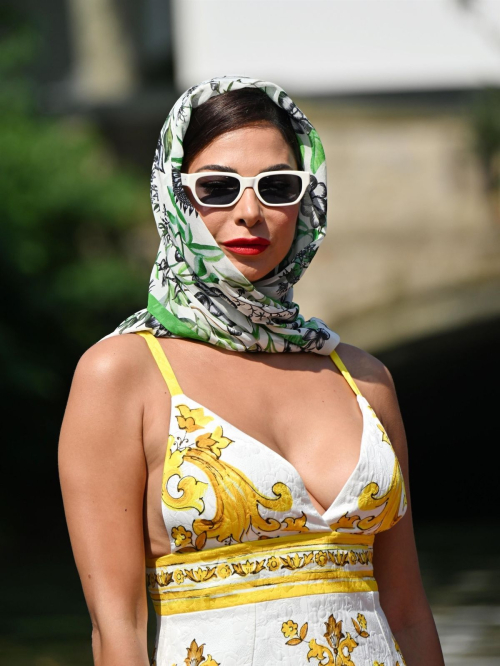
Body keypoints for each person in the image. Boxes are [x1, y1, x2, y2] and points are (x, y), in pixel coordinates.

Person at [58, 76, 444, 666]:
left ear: (306, 200)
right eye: (217, 187)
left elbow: (410, 614)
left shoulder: (364, 379)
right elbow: (118, 633)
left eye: (278, 186)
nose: (250, 212)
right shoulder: (122, 373)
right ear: (175, 197)